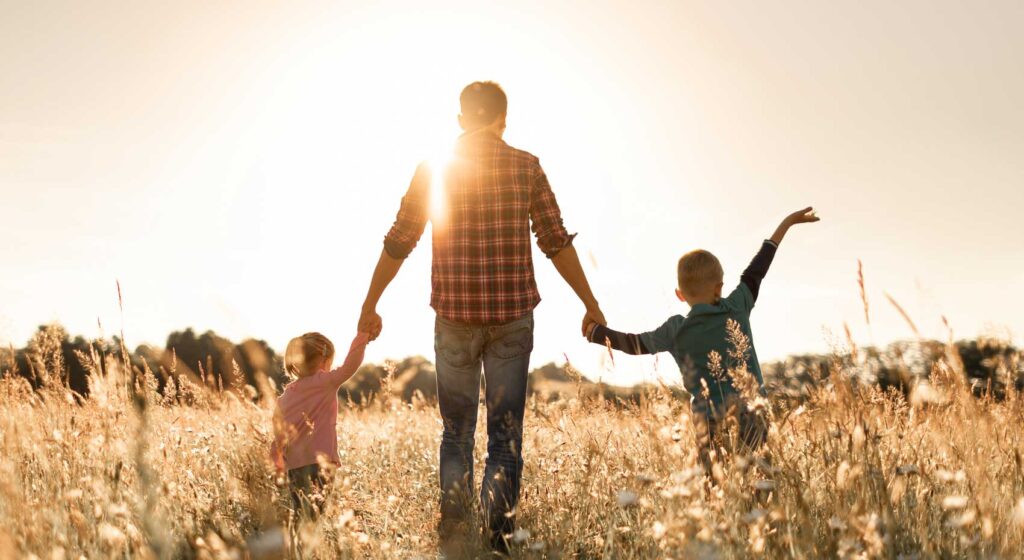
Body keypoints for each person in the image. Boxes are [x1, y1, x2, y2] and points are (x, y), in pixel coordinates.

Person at [357, 81, 605, 553]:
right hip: (512, 318)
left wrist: (370, 304)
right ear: (503, 120)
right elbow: (555, 241)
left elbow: (399, 239)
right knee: (505, 436)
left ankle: (453, 536)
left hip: (454, 318)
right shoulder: (526, 166)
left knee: (456, 433)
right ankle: (498, 541)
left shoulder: (433, 170)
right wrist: (591, 304)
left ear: (460, 120)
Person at [584, 207, 820, 478]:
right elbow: (758, 269)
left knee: (714, 487)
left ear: (679, 294)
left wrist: (595, 332)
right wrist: (787, 223)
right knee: (757, 484)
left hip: (708, 422)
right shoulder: (737, 306)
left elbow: (632, 343)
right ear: (719, 287)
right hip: (752, 414)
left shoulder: (675, 329)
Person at [270, 331, 369, 518]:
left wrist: (278, 461)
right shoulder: (325, 382)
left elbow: (278, 431)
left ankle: (298, 546)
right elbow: (351, 365)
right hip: (321, 464)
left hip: (294, 466)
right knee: (316, 514)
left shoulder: (285, 396)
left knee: (301, 514)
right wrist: (362, 337)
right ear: (324, 360)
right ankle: (310, 546)